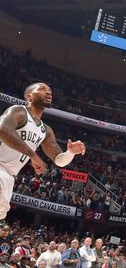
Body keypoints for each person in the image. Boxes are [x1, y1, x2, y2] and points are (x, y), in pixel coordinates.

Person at [0, 82, 86, 225]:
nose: (48, 92)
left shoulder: (45, 130)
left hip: (9, 175)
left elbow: (59, 160)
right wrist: (33, 156)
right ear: (29, 97)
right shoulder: (19, 111)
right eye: (42, 89)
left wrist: (70, 153)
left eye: (50, 90)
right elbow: (3, 129)